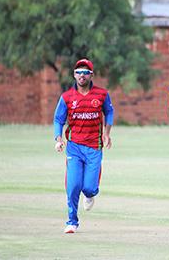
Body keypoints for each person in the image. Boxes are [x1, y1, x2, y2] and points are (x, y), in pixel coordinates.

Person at [53, 58, 114, 234]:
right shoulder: (66, 97)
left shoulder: (101, 94)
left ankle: (90, 194)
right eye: (79, 72)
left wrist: (107, 133)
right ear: (74, 75)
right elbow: (58, 119)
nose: (82, 75)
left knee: (88, 187)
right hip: (74, 147)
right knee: (73, 186)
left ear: (91, 75)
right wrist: (58, 139)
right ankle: (72, 221)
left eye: (85, 72)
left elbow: (109, 111)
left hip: (95, 146)